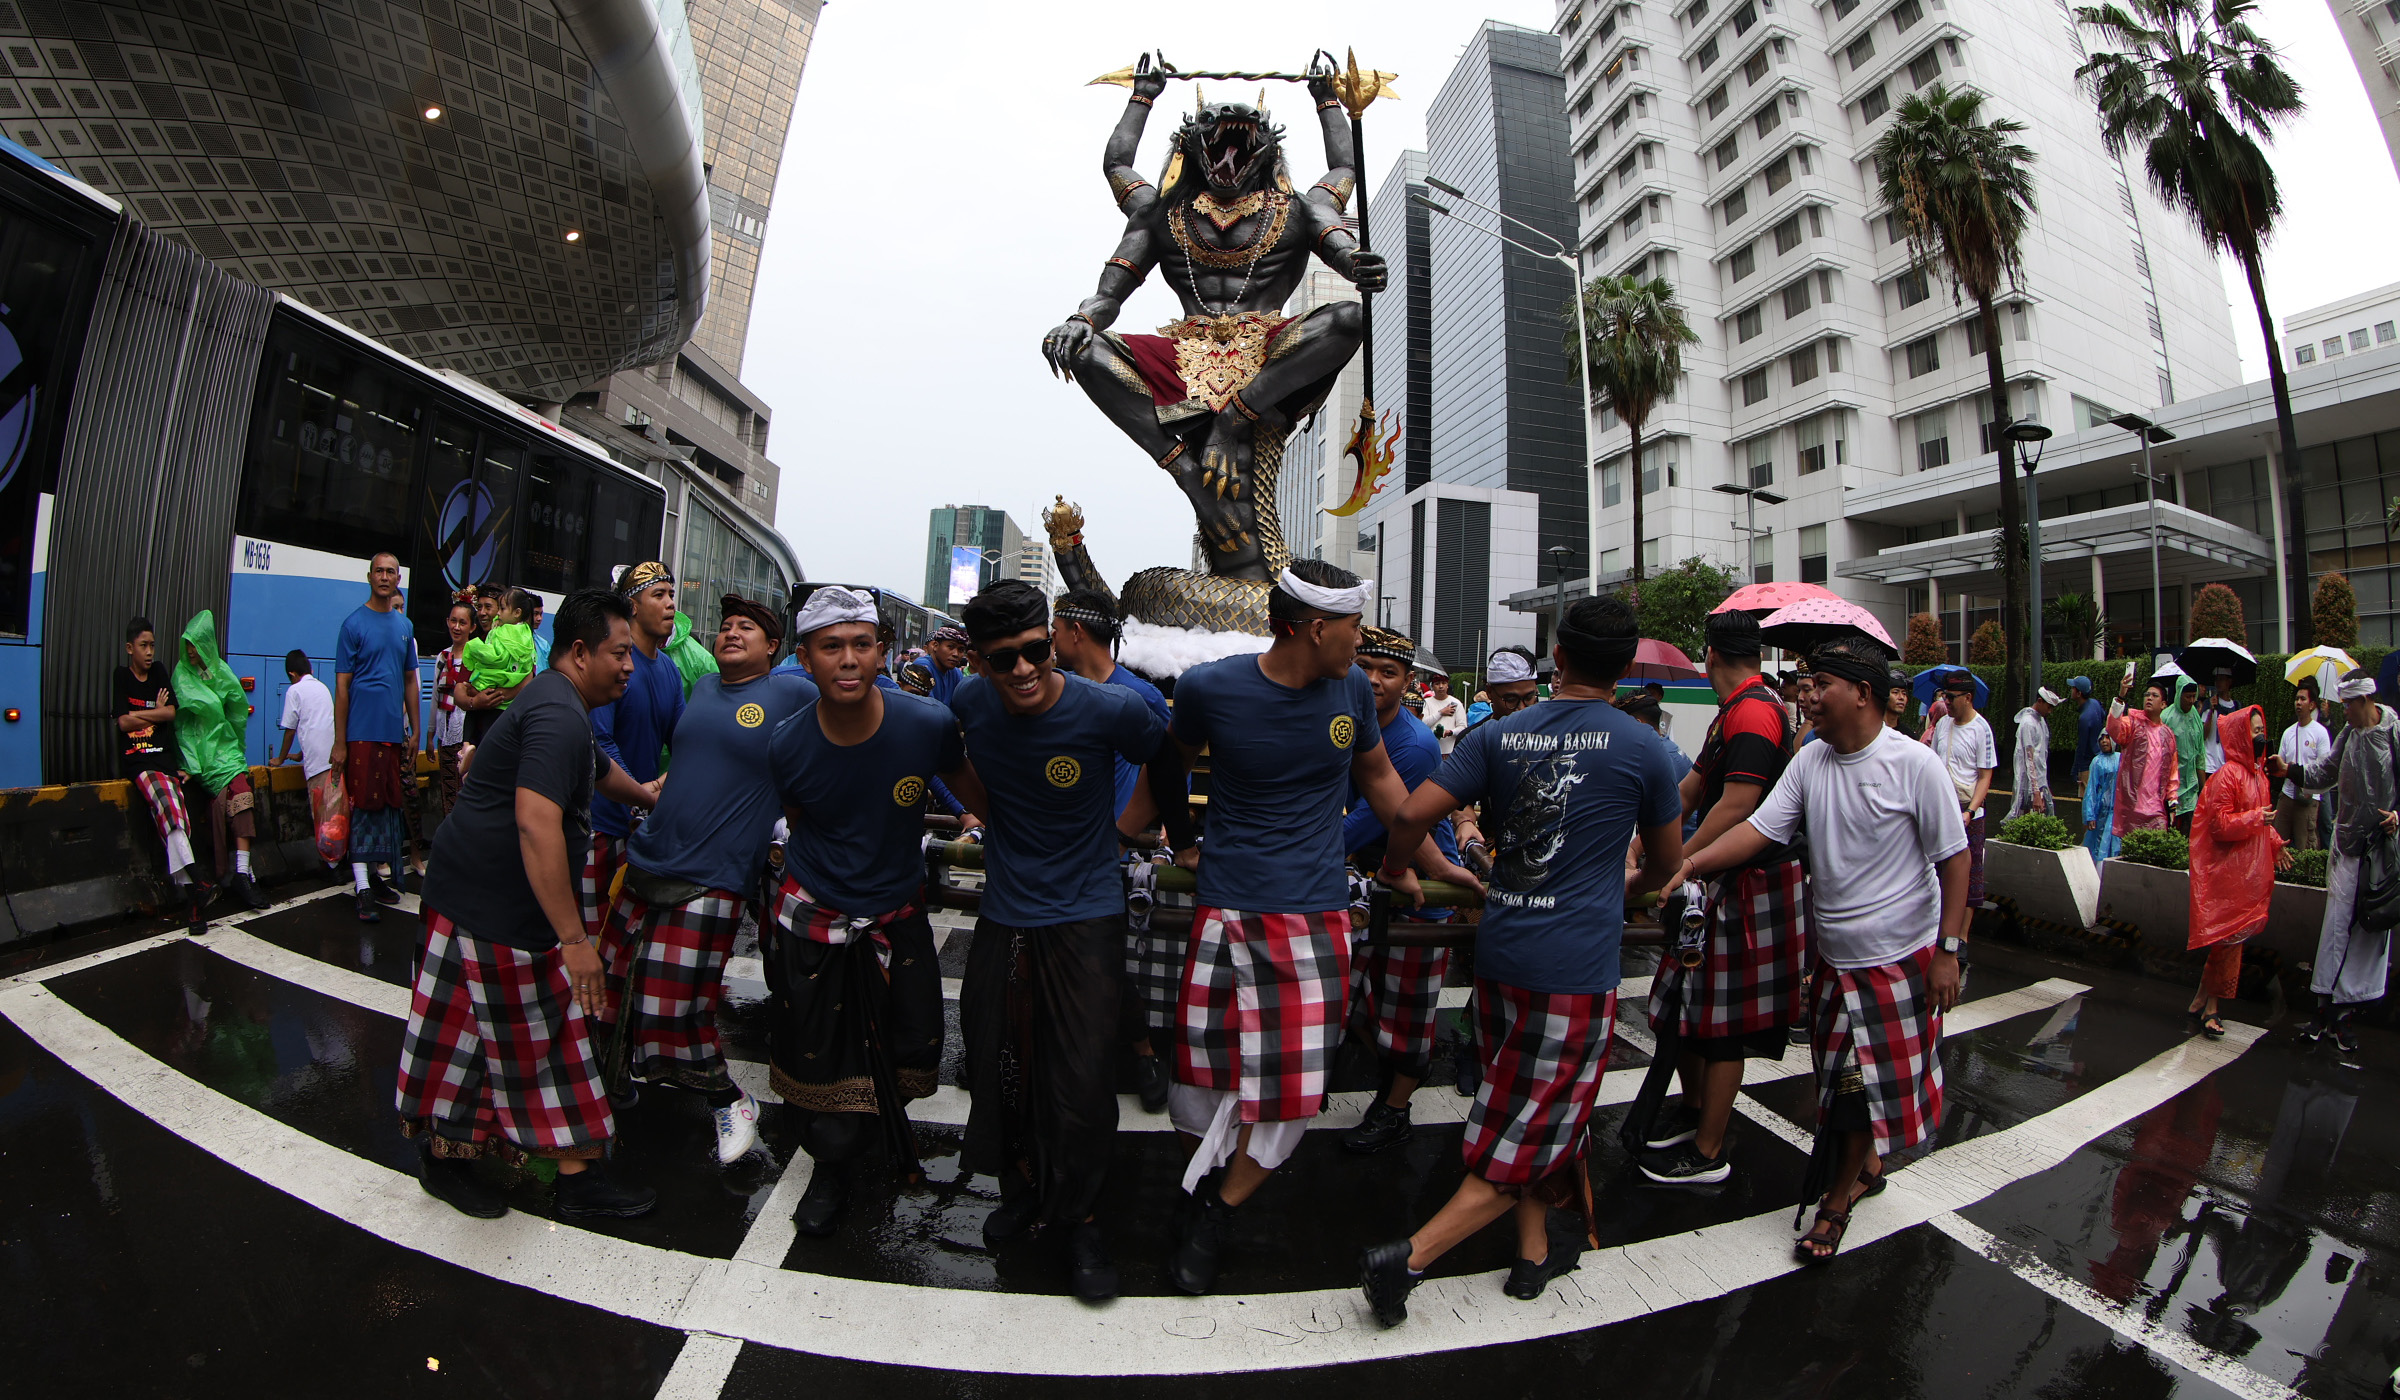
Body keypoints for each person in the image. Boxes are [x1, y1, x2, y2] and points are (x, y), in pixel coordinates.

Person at [1357, 597, 1683, 1325]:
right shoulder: (1646, 748)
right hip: (1575, 968)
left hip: (1502, 953)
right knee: (1538, 1118)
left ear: (1556, 659)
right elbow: (1665, 865)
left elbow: (1408, 815)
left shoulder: (1498, 734)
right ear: (1626, 666)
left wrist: (1397, 870)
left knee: (1525, 1108)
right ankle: (1408, 1258)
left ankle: (1533, 1251)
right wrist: (1623, 889)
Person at [1157, 561, 1444, 1296]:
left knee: (1292, 1088)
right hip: (1225, 908)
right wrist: (1182, 839)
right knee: (1196, 1077)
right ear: (1316, 628)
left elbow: (1382, 782)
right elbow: (1168, 762)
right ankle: (1202, 1184)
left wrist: (1425, 861)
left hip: (1316, 919)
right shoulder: (1210, 687)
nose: (1362, 645)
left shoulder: (1351, 692)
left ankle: (1216, 1212)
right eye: (1354, 628)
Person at [1678, 635, 1971, 1265]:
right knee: (1838, 1084)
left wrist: (1949, 950)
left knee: (1858, 1089)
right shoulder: (1810, 760)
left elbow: (1955, 858)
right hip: (1835, 960)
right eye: (1806, 684)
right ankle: (1867, 1168)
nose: (1807, 696)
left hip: (1900, 958)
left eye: (1821, 685)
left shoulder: (1914, 764)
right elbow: (1760, 830)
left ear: (1862, 693)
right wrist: (1690, 864)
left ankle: (1834, 1205)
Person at [396, 587, 663, 1221]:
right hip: (483, 906)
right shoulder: (558, 714)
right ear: (580, 652)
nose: (629, 666)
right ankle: (480, 1167)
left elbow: (598, 769)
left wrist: (648, 797)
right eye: (619, 653)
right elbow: (536, 821)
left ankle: (561, 1173)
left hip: (493, 904)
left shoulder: (559, 701)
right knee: (497, 1045)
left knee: (518, 1040)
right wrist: (575, 941)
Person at [948, 581, 1183, 1301]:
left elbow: (1167, 759)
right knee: (998, 1059)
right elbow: (953, 764)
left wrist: (1135, 832)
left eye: (1033, 651)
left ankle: (1081, 1218)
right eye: (1002, 658)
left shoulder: (1110, 707)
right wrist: (993, 817)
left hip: (1086, 911)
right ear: (979, 660)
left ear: (1052, 641)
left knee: (1080, 1078)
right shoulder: (970, 702)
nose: (1021, 670)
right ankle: (1022, 1189)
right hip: (1006, 912)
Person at [766, 586, 972, 1239]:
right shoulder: (787, 744)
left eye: (862, 644)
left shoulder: (927, 723)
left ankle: (879, 1124)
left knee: (911, 1040)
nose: (849, 659)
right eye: (831, 647)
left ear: (883, 652)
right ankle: (830, 1167)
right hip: (818, 917)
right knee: (820, 1054)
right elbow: (801, 822)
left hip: (897, 912)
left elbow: (973, 792)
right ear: (805, 658)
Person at [597, 596, 809, 1167]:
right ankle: (614, 1088)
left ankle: (728, 1099)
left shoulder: (791, 693)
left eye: (748, 628)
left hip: (715, 872)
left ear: (774, 648)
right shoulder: (705, 688)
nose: (731, 632)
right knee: (612, 991)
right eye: (726, 626)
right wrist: (662, 783)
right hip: (650, 854)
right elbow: (695, 756)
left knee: (673, 1007)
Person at [1635, 607, 1807, 1186]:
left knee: (1722, 1021)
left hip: (1751, 882)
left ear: (1710, 656)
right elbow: (1690, 790)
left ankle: (1709, 1151)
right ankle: (1693, 1112)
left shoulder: (1754, 711)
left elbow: (1737, 805)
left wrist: (1678, 862)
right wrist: (1645, 840)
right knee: (1688, 1005)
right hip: (1724, 878)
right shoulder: (1735, 709)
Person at [1339, 624, 1479, 1156]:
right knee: (1350, 997)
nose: (1374, 680)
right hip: (1367, 879)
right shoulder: (1343, 720)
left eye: (1388, 672)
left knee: (1408, 1012)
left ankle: (1395, 1109)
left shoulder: (1414, 744)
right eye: (1364, 668)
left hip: (1416, 889)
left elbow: (1367, 823)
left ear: (1408, 682)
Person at [1050, 586, 1178, 1112]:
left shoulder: (1137, 697)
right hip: (1055, 848)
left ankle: (1143, 1053)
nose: (1051, 639)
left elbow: (1164, 772)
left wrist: (1131, 833)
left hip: (1110, 851)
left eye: (1056, 629)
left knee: (1105, 960)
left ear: (1076, 632)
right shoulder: (1053, 689)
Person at [2294, 676, 2399, 1052]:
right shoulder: (2348, 736)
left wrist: (2397, 816)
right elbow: (2324, 773)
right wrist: (2290, 770)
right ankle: (2323, 1011)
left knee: (2368, 932)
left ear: (2366, 700)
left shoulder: (2394, 732)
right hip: (2347, 849)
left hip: (2380, 853)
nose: (2344, 713)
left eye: (2348, 705)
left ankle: (2344, 1015)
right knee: (2336, 929)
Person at [586, 562, 685, 940]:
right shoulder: (612, 662)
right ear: (632, 606)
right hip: (599, 826)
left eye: (672, 594)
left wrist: (659, 786)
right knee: (589, 938)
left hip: (641, 828)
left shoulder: (670, 671)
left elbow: (684, 742)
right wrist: (639, 796)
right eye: (659, 595)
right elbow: (601, 740)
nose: (671, 603)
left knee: (624, 941)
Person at [2185, 706, 2287, 1038]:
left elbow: (2262, 822)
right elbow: (2219, 825)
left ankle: (2200, 1000)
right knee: (2229, 942)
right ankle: (2212, 1009)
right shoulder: (2228, 775)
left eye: (2262, 730)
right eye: (2255, 731)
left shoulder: (2259, 777)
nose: (2261, 736)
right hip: (2228, 875)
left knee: (2228, 941)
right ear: (2241, 735)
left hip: (2247, 877)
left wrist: (2275, 843)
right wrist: (2257, 819)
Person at [332, 552, 420, 919]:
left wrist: (416, 729)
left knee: (386, 808)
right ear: (369, 576)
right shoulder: (352, 624)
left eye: (391, 572)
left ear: (398, 579)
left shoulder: (405, 626)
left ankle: (374, 877)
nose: (384, 577)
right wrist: (340, 742)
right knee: (363, 807)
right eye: (379, 571)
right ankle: (362, 886)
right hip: (361, 733)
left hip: (392, 734)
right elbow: (342, 688)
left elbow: (410, 680)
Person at [115, 617, 208, 928]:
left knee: (176, 819)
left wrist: (140, 714)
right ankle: (197, 884)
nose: (149, 651)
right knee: (169, 808)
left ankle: (194, 899)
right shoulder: (121, 676)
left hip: (164, 761)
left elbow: (170, 713)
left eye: (152, 645)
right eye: (143, 645)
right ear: (130, 648)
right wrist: (153, 712)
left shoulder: (158, 671)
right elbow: (123, 723)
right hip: (139, 762)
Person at [171, 610, 268, 911]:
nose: (191, 652)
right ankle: (243, 873)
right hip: (203, 755)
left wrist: (237, 749)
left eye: (196, 646)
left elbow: (237, 711)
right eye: (188, 646)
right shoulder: (181, 675)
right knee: (241, 792)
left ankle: (243, 872)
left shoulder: (221, 671)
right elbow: (183, 727)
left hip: (225, 750)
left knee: (242, 791)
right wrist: (192, 764)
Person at [1930, 670, 1996, 907]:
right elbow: (1932, 762)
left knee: (1970, 877)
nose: (1946, 701)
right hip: (1942, 809)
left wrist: (1970, 811)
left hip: (1968, 812)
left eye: (1951, 697)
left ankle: (1963, 929)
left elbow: (1985, 776)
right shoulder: (1943, 724)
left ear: (1967, 698)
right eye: (1944, 696)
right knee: (1938, 871)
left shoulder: (1981, 729)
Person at [272, 649, 338, 867]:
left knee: (321, 816)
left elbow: (290, 730)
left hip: (317, 766)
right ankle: (339, 861)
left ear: (292, 674)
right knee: (336, 814)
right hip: (333, 760)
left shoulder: (295, 690)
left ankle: (331, 865)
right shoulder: (322, 687)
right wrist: (299, 754)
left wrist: (280, 759)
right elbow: (318, 724)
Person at [2107, 670, 2180, 836]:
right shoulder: (2133, 725)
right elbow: (2113, 729)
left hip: (2157, 810)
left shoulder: (2168, 735)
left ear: (2163, 704)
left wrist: (2172, 801)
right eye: (2147, 694)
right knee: (2132, 849)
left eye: (2154, 695)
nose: (2149, 698)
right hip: (2133, 807)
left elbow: (2172, 772)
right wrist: (2121, 697)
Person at [428, 595, 475, 813]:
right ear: (447, 622)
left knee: (464, 792)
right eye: (453, 621)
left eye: (462, 623)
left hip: (464, 737)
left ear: (472, 627)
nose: (457, 627)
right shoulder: (442, 657)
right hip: (444, 735)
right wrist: (430, 735)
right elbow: (435, 698)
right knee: (448, 792)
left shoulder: (476, 658)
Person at [2275, 680, 2332, 852]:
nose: (2298, 703)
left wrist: (2309, 786)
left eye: (2303, 699)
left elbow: (2324, 768)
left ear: (2312, 705)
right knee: (2277, 842)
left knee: (2305, 846)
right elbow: (2281, 764)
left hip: (2308, 797)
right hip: (2287, 794)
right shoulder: (2288, 732)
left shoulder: (2320, 733)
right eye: (2296, 699)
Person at [2163, 679, 2210, 835]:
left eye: (2193, 696)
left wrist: (2203, 789)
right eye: (2187, 697)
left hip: (2191, 788)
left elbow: (2200, 754)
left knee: (2191, 833)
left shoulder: (2195, 716)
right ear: (2179, 695)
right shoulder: (2167, 718)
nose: (2191, 701)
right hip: (2171, 788)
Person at [2008, 687, 2060, 820]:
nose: (2050, 711)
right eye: (2049, 707)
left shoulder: (2040, 721)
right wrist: (2035, 791)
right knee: (2028, 819)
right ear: (2040, 701)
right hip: (2028, 783)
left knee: (2039, 819)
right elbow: (2029, 759)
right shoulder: (2028, 723)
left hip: (2039, 780)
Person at [2083, 733, 2122, 862]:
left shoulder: (2121, 759)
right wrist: (2090, 815)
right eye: (2101, 738)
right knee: (2100, 843)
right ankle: (2100, 868)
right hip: (2102, 812)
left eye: (2107, 738)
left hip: (2118, 812)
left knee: (2116, 843)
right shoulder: (2097, 762)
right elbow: (2091, 790)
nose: (2104, 741)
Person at [2200, 667, 2241, 777]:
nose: (2218, 683)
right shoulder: (2209, 704)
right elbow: (2204, 735)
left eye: (2222, 679)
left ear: (2229, 682)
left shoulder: (2236, 706)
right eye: (2216, 679)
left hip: (2228, 764)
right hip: (2210, 764)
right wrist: (2211, 711)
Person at [2069, 675, 2105, 794]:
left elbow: (2082, 746)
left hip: (2087, 765)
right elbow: (2103, 715)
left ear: (2079, 693)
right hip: (2098, 757)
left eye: (2073, 688)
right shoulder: (2095, 703)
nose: (2071, 690)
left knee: (2087, 800)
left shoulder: (2084, 718)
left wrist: (2075, 770)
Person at [1424, 672, 1467, 756]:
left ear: (1447, 685)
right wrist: (1440, 713)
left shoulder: (1456, 703)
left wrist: (1450, 732)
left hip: (1451, 751)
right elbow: (1423, 723)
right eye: (1437, 684)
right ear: (1432, 686)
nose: (1441, 686)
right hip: (1430, 750)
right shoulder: (1426, 702)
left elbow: (1462, 727)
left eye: (1444, 683)